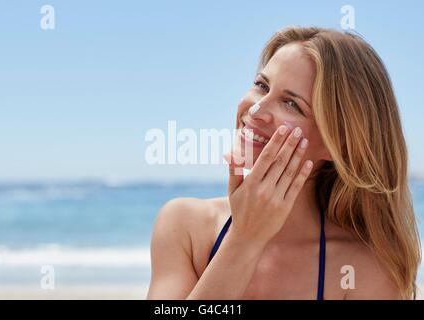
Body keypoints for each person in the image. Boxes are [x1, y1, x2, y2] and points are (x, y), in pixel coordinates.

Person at [146, 26, 421, 300]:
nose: (256, 110)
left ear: (337, 144)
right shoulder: (184, 226)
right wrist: (243, 240)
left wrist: (248, 236)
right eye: (261, 86)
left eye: (291, 104)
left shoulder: (364, 271)